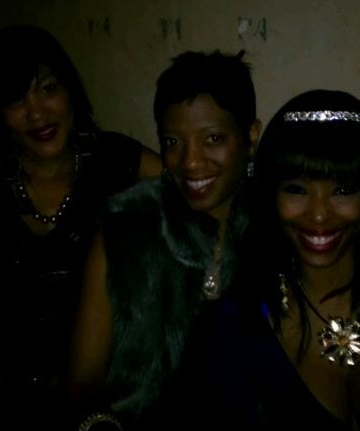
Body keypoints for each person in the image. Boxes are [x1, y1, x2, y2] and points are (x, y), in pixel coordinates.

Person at [0, 24, 161, 430]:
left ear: (71, 90)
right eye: (15, 99)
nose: (37, 112)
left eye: (48, 89)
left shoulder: (113, 159)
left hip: (104, 404)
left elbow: (195, 186)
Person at [67, 50, 261, 430]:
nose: (190, 161)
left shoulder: (280, 228)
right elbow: (83, 383)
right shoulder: (126, 230)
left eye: (213, 139)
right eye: (172, 142)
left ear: (250, 135)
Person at [242, 89, 360, 430]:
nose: (318, 215)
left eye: (342, 190)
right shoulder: (244, 320)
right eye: (296, 189)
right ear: (270, 196)